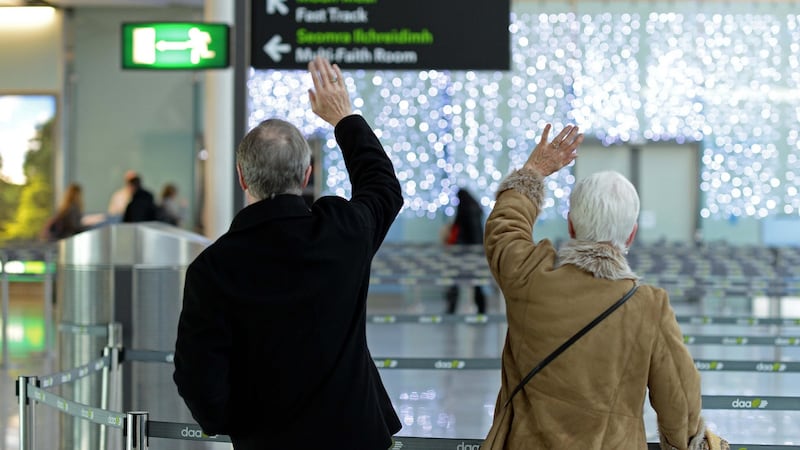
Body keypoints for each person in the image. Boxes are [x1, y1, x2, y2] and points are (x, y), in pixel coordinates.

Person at [172, 57, 403, 449]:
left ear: (243, 177)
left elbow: (197, 376)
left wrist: (233, 421)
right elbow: (382, 187)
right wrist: (344, 117)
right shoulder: (342, 232)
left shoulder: (212, 269)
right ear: (307, 174)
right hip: (355, 435)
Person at [482, 124, 727, 449]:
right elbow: (678, 400)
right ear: (631, 235)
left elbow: (504, 228)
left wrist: (534, 171)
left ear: (571, 224)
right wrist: (689, 441)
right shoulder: (648, 306)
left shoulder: (528, 276)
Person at [442, 188, 486, 314]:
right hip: (476, 250)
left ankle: (451, 310)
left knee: (455, 282)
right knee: (477, 283)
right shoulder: (477, 208)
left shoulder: (464, 210)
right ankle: (482, 311)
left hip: (463, 252)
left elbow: (461, 231)